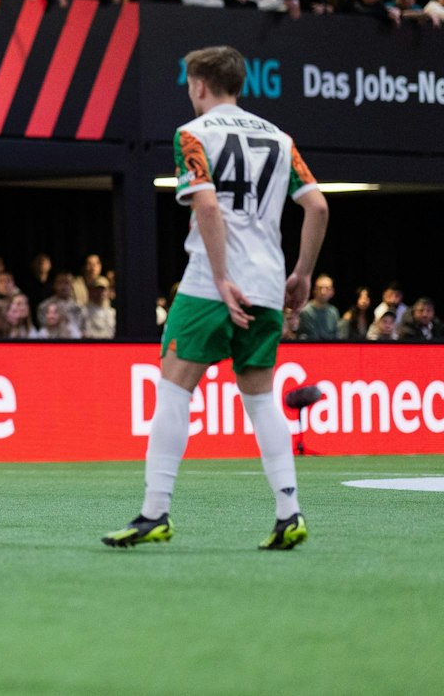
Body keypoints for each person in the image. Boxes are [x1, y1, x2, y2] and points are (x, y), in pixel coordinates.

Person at [104, 45, 327, 551]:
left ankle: (154, 512)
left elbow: (206, 206)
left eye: (189, 85)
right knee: (263, 399)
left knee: (174, 389)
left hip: (211, 283)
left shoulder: (193, 134)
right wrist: (303, 273)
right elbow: (317, 206)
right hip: (270, 285)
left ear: (201, 86)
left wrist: (222, 277)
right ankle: (289, 512)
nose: (189, 93)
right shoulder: (279, 138)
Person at [292, 275, 341, 341]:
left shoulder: (334, 312)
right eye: (320, 288)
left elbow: (336, 337)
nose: (323, 292)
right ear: (314, 290)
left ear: (332, 292)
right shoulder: (305, 311)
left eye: (327, 288)